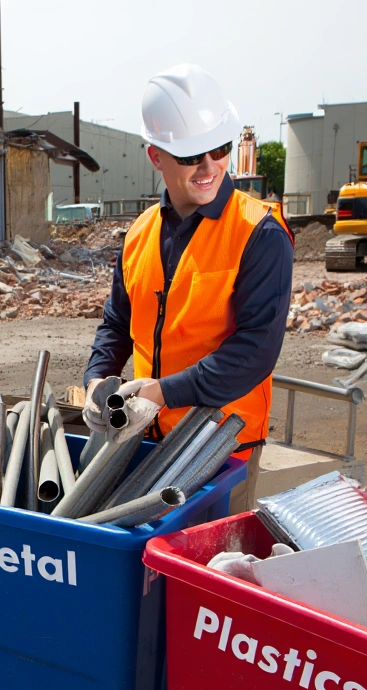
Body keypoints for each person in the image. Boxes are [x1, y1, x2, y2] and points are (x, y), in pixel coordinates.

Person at [82, 64, 294, 513]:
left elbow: (254, 353)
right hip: (142, 441)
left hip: (219, 450)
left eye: (219, 149)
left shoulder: (260, 232)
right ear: (155, 156)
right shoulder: (140, 233)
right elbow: (117, 322)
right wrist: (97, 378)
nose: (210, 167)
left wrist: (161, 393)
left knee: (206, 572)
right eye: (191, 156)